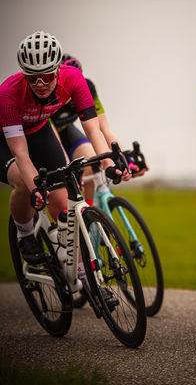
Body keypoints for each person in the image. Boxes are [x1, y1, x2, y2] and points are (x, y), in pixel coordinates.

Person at [0, 31, 128, 270]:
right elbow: (21, 154)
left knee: (62, 203)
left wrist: (109, 166)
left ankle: (86, 282)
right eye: (32, 77)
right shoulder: (8, 95)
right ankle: (25, 234)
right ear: (24, 73)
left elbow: (93, 131)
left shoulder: (74, 79)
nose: (40, 84)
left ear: (58, 70)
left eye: (47, 76)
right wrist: (35, 188)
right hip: (4, 140)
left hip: (38, 130)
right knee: (21, 179)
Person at [50, 53, 147, 205]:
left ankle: (89, 216)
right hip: (48, 135)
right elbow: (55, 141)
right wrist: (67, 170)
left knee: (93, 161)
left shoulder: (86, 88)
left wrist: (123, 159)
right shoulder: (48, 94)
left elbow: (103, 129)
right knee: (64, 176)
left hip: (66, 131)